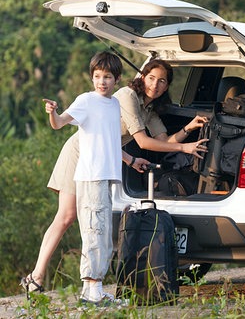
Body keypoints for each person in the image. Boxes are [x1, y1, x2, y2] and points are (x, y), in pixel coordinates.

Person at [21, 58, 208, 298]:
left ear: (167, 85)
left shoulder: (149, 109)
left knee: (80, 219)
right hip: (81, 152)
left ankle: (58, 282)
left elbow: (162, 143)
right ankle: (39, 277)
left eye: (162, 81)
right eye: (151, 78)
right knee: (67, 216)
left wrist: (189, 129)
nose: (156, 84)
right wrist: (186, 149)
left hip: (106, 155)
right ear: (141, 77)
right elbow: (142, 141)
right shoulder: (127, 96)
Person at [42, 51, 124, 304]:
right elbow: (59, 123)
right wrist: (52, 112)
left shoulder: (115, 104)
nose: (102, 81)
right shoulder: (86, 100)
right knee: (94, 230)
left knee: (102, 231)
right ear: (92, 78)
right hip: (91, 176)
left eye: (108, 77)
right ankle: (91, 290)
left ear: (117, 79)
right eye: (97, 76)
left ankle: (94, 289)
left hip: (106, 176)